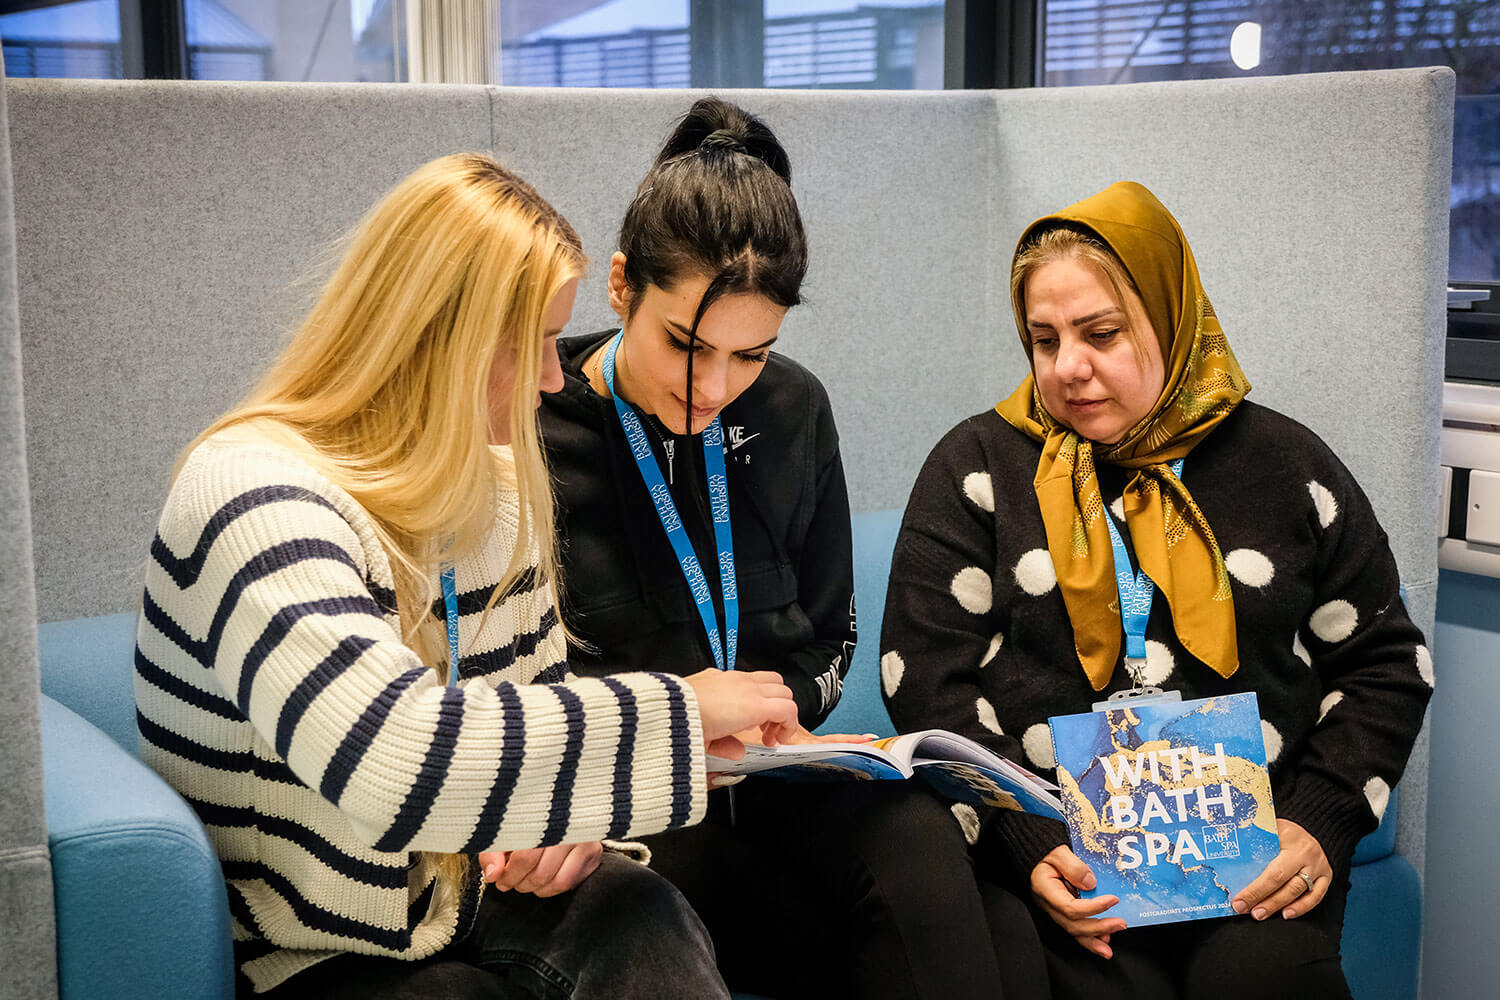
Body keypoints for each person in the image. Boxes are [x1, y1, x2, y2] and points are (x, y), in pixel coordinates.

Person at [132, 152, 801, 999]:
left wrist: (574, 823)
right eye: (535, 346)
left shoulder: (497, 479)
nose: (558, 380)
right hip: (315, 937)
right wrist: (682, 711)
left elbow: (535, 702)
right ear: (430, 336)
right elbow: (391, 759)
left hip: (470, 890)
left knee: (644, 914)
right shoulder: (249, 492)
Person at [537, 97, 1044, 1000]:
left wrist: (779, 717)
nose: (714, 388)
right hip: (635, 803)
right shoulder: (535, 422)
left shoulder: (793, 410)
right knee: (986, 933)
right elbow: (505, 680)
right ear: (621, 287)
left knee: (925, 841)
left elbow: (829, 634)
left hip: (770, 780)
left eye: (752, 355)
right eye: (686, 346)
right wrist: (679, 719)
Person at [879, 180, 1434, 999]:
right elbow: (923, 681)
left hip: (1253, 863)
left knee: (1263, 985)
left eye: (1101, 333)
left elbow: (1388, 662)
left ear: (1171, 322)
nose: (1069, 367)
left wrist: (1319, 823)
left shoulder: (1286, 465)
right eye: (1044, 339)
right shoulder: (980, 467)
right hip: (1068, 861)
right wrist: (1025, 844)